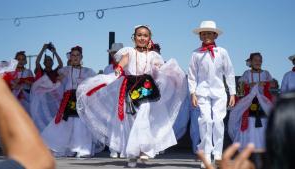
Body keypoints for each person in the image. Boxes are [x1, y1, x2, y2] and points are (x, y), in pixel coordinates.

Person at [76, 25, 187, 167]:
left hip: (147, 87)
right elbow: (123, 62)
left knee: (145, 111)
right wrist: (118, 69)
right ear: (134, 37)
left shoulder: (153, 55)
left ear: (149, 38)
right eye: (139, 35)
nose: (142, 38)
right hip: (131, 87)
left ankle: (145, 149)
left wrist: (165, 70)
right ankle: (133, 154)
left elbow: (158, 66)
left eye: (145, 35)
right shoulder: (129, 51)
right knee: (133, 121)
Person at [188, 20, 236, 167]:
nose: (206, 35)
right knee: (205, 121)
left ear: (215, 35)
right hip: (202, 91)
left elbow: (229, 72)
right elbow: (192, 75)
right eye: (203, 33)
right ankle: (207, 155)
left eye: (209, 33)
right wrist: (192, 93)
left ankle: (218, 154)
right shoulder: (195, 54)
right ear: (200, 36)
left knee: (218, 122)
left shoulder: (222, 52)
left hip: (219, 91)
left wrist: (232, 93)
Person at [41, 46, 103, 157]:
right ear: (70, 57)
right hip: (68, 98)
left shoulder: (88, 71)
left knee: (81, 123)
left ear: (81, 57)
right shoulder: (65, 70)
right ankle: (65, 148)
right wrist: (58, 78)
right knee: (65, 123)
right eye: (73, 55)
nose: (75, 57)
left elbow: (94, 84)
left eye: (77, 55)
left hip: (81, 98)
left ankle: (82, 148)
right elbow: (57, 80)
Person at [0, 70, 55, 169]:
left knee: (25, 120)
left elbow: (31, 83)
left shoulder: (28, 72)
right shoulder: (10, 73)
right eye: (19, 59)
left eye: (22, 59)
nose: (21, 61)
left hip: (23, 98)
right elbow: (39, 162)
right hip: (13, 97)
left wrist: (23, 82)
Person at [229, 52, 273, 152]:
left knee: (264, 121)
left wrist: (266, 84)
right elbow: (240, 88)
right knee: (251, 120)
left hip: (263, 102)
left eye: (260, 60)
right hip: (251, 101)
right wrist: (248, 85)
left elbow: (273, 86)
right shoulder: (247, 74)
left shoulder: (266, 74)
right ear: (251, 62)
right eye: (256, 60)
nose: (258, 62)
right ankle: (248, 145)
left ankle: (262, 145)